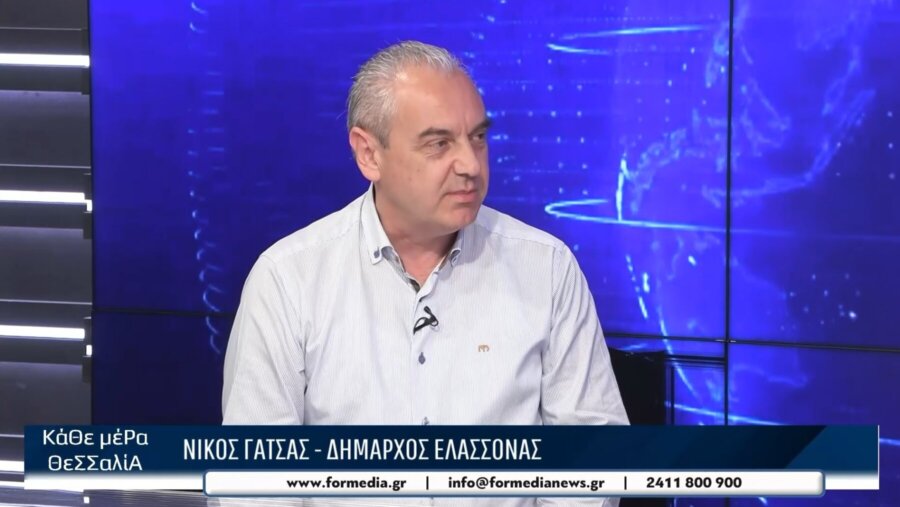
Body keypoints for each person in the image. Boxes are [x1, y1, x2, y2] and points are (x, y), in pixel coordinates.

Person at [220, 40, 628, 506]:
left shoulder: (547, 268)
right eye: (439, 144)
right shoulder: (287, 281)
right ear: (368, 154)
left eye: (478, 138)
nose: (470, 165)